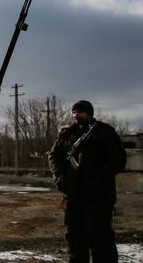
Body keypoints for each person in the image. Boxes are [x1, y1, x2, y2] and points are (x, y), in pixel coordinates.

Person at [48, 100, 126, 263]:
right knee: (75, 239)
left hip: (98, 197)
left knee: (101, 239)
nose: (76, 115)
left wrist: (98, 178)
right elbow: (54, 156)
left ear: (89, 113)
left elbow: (118, 159)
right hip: (74, 196)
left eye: (80, 112)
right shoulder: (67, 134)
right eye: (74, 112)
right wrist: (59, 177)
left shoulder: (105, 133)